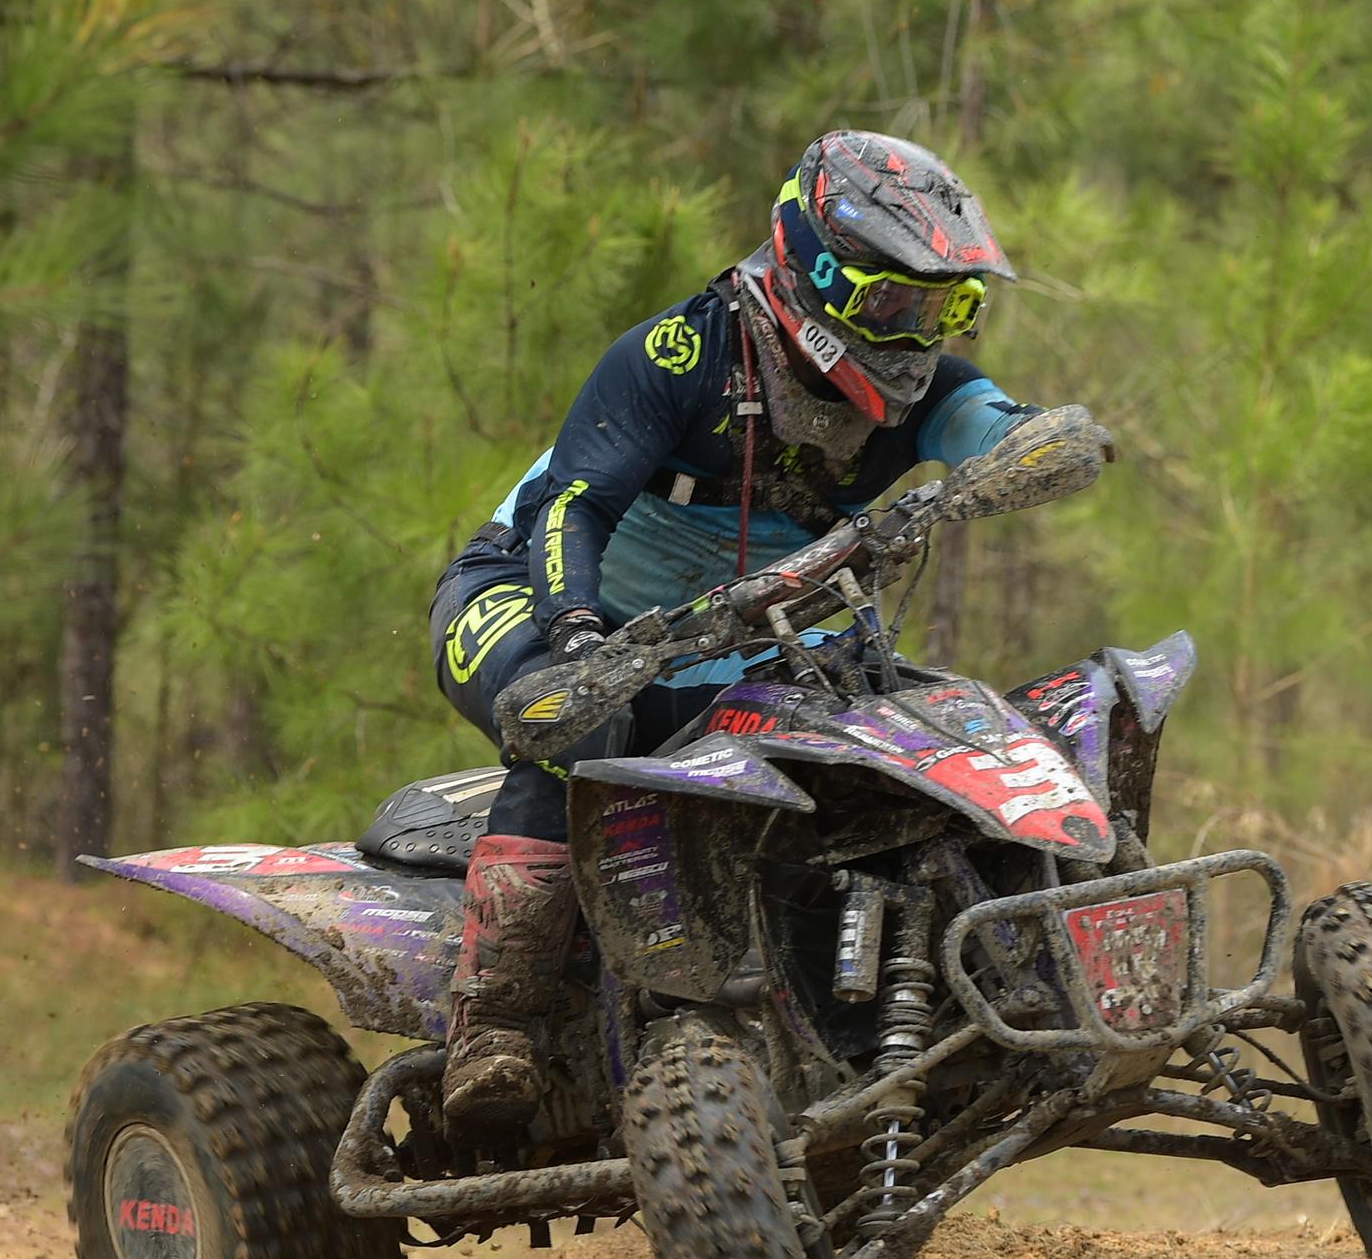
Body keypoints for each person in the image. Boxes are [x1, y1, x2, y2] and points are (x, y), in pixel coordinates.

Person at [427, 129, 1050, 1132]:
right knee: (584, 724)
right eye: (890, 300)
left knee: (869, 725)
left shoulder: (922, 386)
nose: (913, 331)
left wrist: (1039, 441)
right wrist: (580, 633)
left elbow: (990, 420)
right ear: (813, 268)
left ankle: (871, 1000)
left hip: (727, 631)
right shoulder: (680, 354)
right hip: (529, 589)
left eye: (944, 306)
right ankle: (495, 1021)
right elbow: (569, 508)